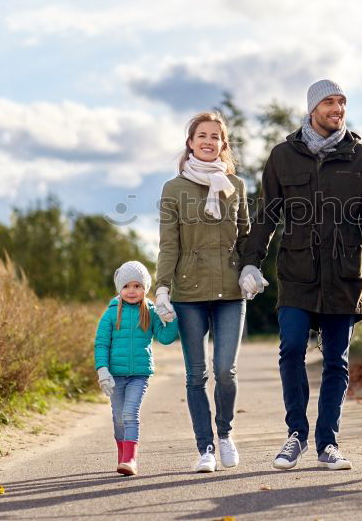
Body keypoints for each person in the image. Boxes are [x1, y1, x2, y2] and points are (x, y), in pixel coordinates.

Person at [239, 78, 362, 471]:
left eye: (342, 101)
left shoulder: (361, 156)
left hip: (344, 275)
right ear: (312, 109)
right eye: (329, 102)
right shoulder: (282, 156)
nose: (337, 108)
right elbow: (267, 214)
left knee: (336, 361)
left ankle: (328, 442)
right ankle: (296, 435)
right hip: (297, 273)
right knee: (291, 348)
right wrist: (251, 261)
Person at [154, 112, 250, 473]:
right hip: (188, 292)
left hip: (230, 289)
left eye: (215, 136)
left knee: (225, 370)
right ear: (191, 143)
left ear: (223, 145)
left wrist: (251, 268)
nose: (208, 141)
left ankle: (224, 434)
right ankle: (205, 447)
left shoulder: (236, 186)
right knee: (196, 375)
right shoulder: (173, 189)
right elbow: (168, 244)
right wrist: (162, 286)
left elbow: (246, 238)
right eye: (202, 135)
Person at [94, 260, 178, 476]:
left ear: (145, 289)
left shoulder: (150, 311)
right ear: (119, 289)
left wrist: (171, 319)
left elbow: (165, 338)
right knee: (118, 418)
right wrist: (102, 370)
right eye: (126, 286)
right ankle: (123, 456)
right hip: (115, 375)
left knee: (130, 413)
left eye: (137, 286)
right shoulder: (111, 313)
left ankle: (130, 459)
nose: (131, 291)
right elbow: (101, 343)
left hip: (139, 375)